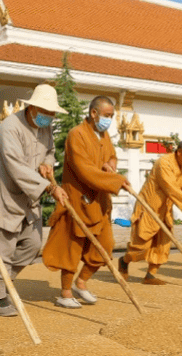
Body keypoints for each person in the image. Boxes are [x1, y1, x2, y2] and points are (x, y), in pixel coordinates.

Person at [0, 84, 69, 316]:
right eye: (45, 111)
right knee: (2, 248)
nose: (49, 116)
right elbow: (15, 166)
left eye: (52, 113)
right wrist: (49, 187)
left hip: (28, 197)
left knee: (32, 244)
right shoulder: (10, 127)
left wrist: (47, 163)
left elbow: (48, 152)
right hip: (4, 194)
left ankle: (5, 281)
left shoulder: (45, 128)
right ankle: (0, 298)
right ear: (33, 107)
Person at [42, 96, 132, 308]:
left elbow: (111, 156)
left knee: (105, 245)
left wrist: (110, 163)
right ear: (94, 113)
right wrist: (116, 181)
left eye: (111, 116)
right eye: (107, 116)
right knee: (72, 246)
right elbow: (85, 171)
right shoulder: (76, 135)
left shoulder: (104, 134)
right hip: (77, 198)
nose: (109, 120)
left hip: (99, 201)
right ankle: (65, 293)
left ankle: (80, 283)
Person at [118, 140, 182, 285]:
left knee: (163, 244)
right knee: (140, 245)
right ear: (179, 153)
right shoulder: (164, 163)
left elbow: (179, 186)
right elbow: (170, 188)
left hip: (165, 209)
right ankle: (124, 261)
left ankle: (150, 275)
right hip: (149, 207)